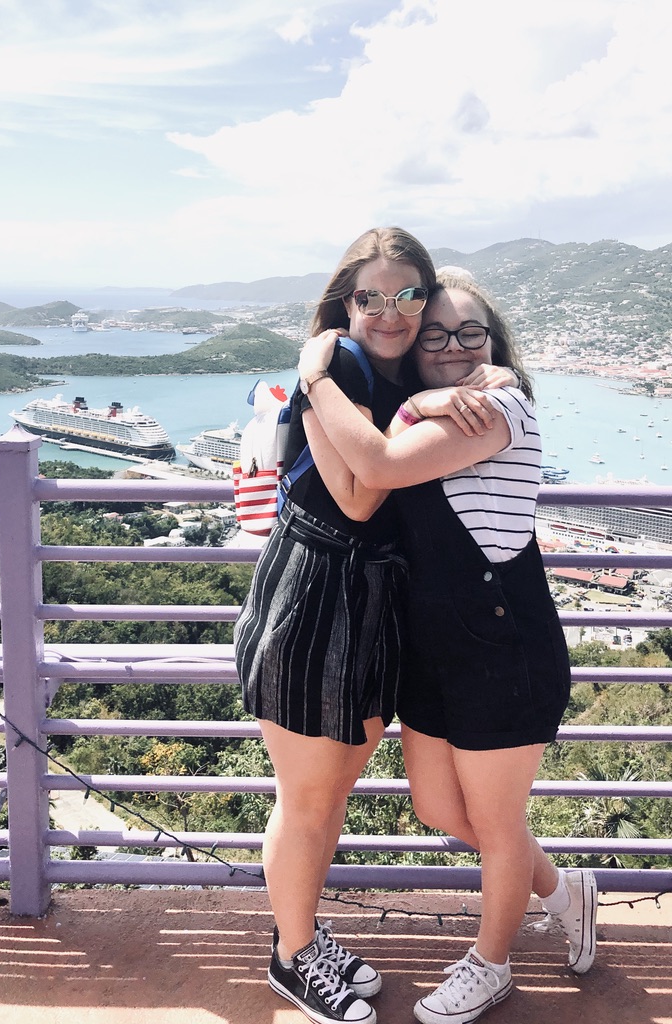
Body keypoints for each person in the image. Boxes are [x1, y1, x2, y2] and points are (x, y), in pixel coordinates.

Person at [297, 270, 598, 1024]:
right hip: (431, 643)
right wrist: (420, 400)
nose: (456, 347)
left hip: (503, 642)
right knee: (437, 806)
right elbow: (386, 453)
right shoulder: (426, 410)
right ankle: (564, 892)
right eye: (437, 336)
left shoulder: (498, 404)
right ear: (418, 350)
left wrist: (314, 376)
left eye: (472, 333)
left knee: (499, 827)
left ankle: (491, 965)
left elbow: (379, 467)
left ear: (495, 345)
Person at [234, 231, 509, 1024]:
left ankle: (302, 934)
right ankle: (290, 956)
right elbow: (358, 499)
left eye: (407, 295)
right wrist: (315, 374)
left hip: (370, 605)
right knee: (308, 797)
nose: (389, 313)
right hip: (316, 598)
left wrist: (428, 397)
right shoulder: (340, 366)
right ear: (343, 301)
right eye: (369, 298)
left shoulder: (399, 376)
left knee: (334, 790)